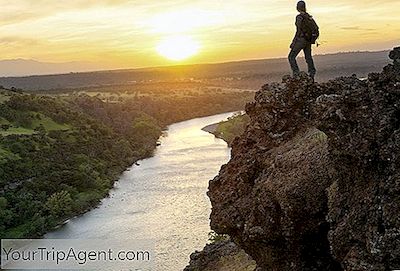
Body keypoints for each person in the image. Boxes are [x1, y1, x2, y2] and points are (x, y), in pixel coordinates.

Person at [288, 1, 317, 81]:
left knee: (291, 57)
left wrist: (293, 42)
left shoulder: (299, 17)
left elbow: (298, 30)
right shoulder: (309, 17)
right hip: (308, 40)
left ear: (297, 7)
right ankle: (312, 73)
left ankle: (296, 74)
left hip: (301, 40)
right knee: (308, 57)